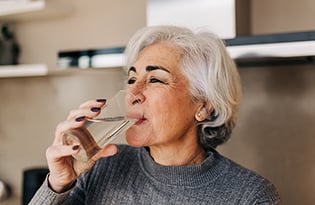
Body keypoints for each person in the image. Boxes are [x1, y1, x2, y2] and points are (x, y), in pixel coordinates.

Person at [30, 25, 281, 204]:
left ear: (204, 106)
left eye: (156, 79)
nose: (132, 93)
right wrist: (58, 185)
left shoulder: (250, 196)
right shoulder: (99, 169)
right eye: (131, 79)